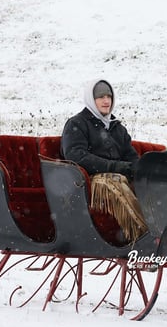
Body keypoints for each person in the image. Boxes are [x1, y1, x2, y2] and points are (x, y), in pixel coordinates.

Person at [61, 79, 148, 243]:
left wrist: (141, 169)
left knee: (145, 182)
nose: (106, 101)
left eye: (109, 96)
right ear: (91, 100)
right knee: (115, 182)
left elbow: (130, 155)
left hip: (117, 176)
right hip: (87, 181)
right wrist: (114, 166)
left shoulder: (117, 127)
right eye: (101, 97)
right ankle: (142, 235)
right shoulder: (77, 124)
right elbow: (76, 155)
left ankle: (162, 228)